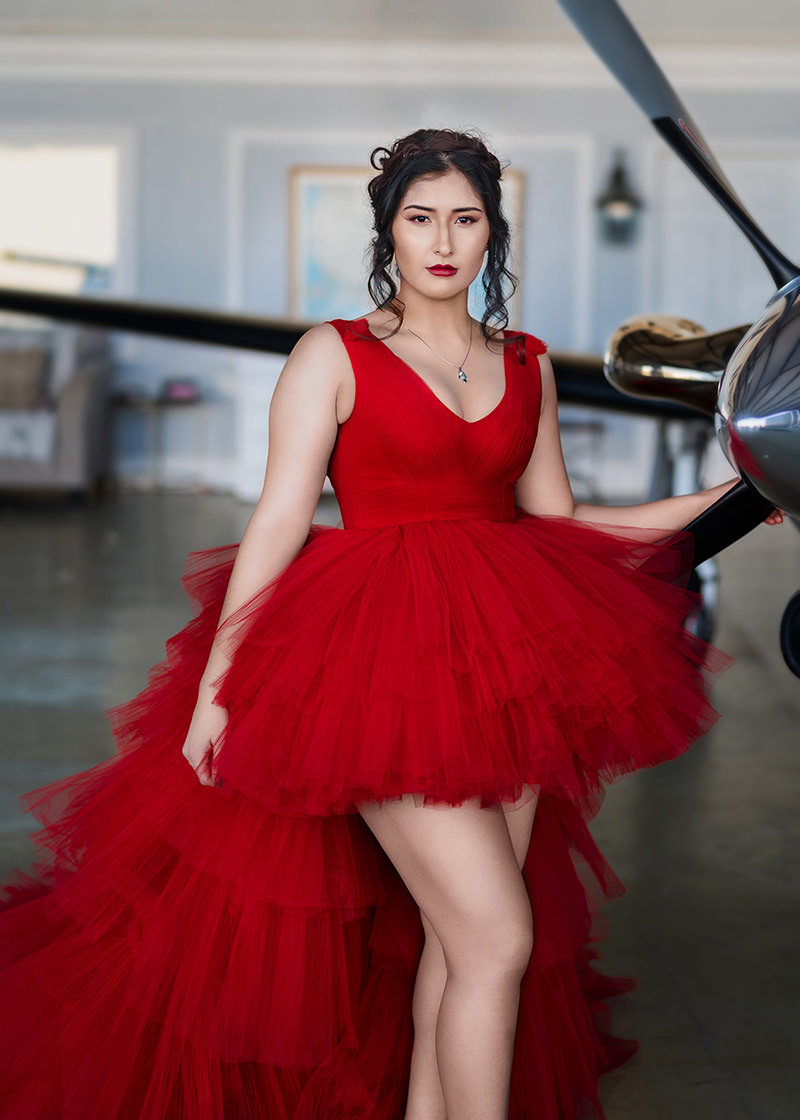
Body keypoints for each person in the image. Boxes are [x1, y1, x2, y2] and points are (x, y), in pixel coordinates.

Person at [0, 128, 782, 1120]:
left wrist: (745, 489)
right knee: (497, 939)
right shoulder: (333, 353)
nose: (442, 239)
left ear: (491, 230)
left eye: (464, 217)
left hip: (506, 658)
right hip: (375, 661)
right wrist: (216, 687)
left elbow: (562, 520)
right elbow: (279, 518)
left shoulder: (527, 364)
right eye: (420, 219)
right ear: (390, 233)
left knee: (458, 941)